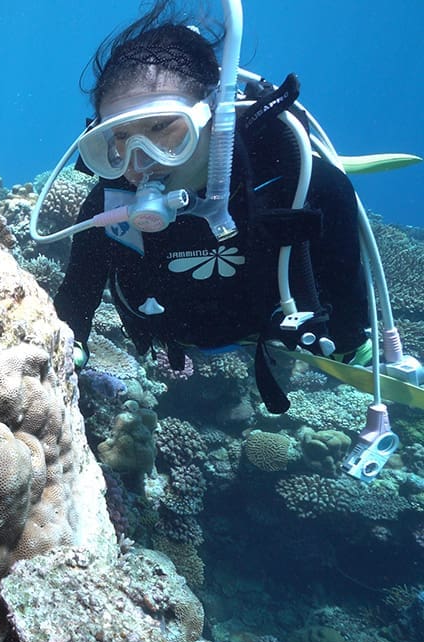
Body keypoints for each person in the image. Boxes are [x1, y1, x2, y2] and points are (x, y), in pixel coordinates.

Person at [53, 0, 371, 413]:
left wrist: (351, 343)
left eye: (163, 129)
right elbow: (75, 302)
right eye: (119, 139)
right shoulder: (110, 205)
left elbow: (347, 307)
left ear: (214, 117)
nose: (140, 161)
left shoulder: (299, 182)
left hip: (270, 331)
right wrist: (65, 353)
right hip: (172, 332)